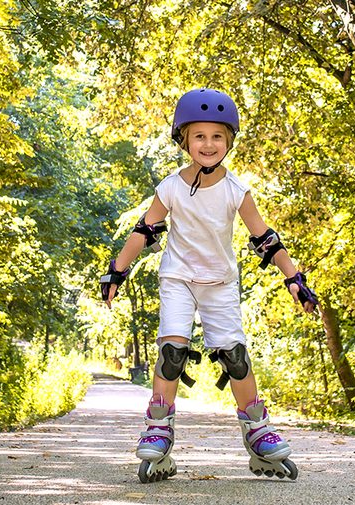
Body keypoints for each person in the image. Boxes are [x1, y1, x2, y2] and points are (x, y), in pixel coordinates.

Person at [99, 88, 317, 483]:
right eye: (199, 136)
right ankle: (159, 423)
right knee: (172, 350)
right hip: (178, 278)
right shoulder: (170, 188)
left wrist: (294, 278)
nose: (208, 144)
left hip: (219, 283)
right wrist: (117, 270)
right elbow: (145, 230)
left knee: (235, 356)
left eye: (217, 136)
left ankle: (257, 426)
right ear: (184, 140)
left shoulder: (237, 192)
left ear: (229, 141)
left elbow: (265, 238)